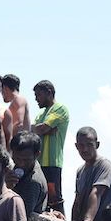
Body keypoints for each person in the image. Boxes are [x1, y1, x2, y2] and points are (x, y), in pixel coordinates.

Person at [31, 80, 70, 213]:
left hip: (52, 163)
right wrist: (40, 129)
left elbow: (41, 128)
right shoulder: (41, 114)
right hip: (38, 163)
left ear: (49, 93)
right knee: (40, 198)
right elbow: (31, 130)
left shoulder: (60, 108)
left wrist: (41, 129)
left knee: (54, 199)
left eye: (38, 95)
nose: (36, 99)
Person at [70, 127, 111, 221]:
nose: (85, 149)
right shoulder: (80, 171)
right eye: (81, 145)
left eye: (89, 145)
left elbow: (96, 193)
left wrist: (88, 220)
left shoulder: (104, 165)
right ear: (76, 146)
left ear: (97, 145)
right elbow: (77, 201)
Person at [6, 130, 48, 219]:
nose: (21, 163)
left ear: (37, 155)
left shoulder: (33, 182)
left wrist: (5, 189)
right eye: (17, 158)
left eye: (26, 160)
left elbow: (19, 217)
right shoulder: (20, 169)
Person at [0, 74, 31, 148]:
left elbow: (19, 123)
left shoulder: (18, 99)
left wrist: (8, 142)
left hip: (21, 144)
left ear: (5, 88)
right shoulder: (15, 101)